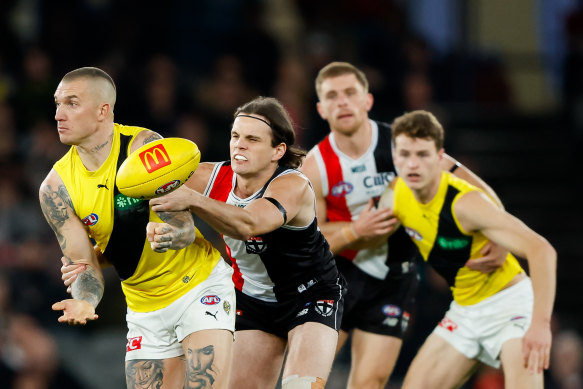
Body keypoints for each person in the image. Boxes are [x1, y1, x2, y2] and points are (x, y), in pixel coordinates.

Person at [300, 61, 507, 388]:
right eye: (332, 96)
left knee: (369, 383)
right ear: (321, 109)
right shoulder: (315, 166)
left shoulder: (401, 145)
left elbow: (470, 183)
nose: (342, 102)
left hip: (393, 278)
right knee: (306, 381)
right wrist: (357, 231)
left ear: (368, 100)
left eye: (350, 93)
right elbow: (309, 240)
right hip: (334, 280)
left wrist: (501, 230)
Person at [39, 67, 235, 388]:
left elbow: (183, 228)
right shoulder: (55, 190)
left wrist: (170, 234)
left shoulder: (142, 146)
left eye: (72, 103)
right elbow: (84, 266)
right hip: (144, 307)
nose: (59, 114)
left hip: (198, 287)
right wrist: (86, 300)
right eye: (58, 104)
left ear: (103, 110)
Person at [150, 96, 346, 389]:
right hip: (252, 301)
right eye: (235, 136)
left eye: (253, 139)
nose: (239, 145)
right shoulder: (207, 176)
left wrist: (193, 201)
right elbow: (140, 190)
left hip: (310, 296)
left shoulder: (293, 185)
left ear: (277, 151)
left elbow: (250, 224)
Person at [389, 110, 556, 388]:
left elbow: (543, 250)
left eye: (423, 155)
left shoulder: (465, 203)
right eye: (405, 154)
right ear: (395, 156)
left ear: (440, 158)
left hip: (511, 308)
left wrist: (540, 324)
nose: (413, 164)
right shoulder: (395, 195)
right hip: (465, 311)